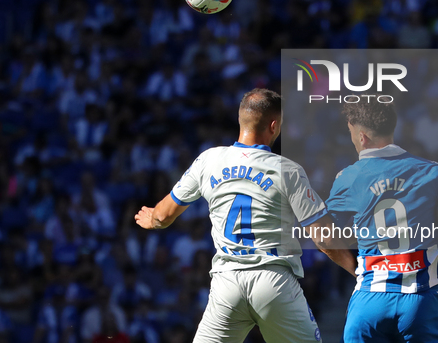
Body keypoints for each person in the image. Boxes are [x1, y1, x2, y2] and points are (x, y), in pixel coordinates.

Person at [134, 88, 356, 343]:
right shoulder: (287, 170)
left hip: (227, 284)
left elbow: (163, 216)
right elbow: (324, 239)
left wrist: (151, 218)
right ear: (274, 125)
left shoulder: (208, 160)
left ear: (241, 121)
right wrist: (358, 271)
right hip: (273, 281)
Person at [326, 100, 438, 342]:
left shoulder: (348, 178)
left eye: (351, 133)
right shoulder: (434, 173)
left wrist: (357, 269)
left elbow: (323, 237)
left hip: (369, 300)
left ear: (361, 136)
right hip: (421, 302)